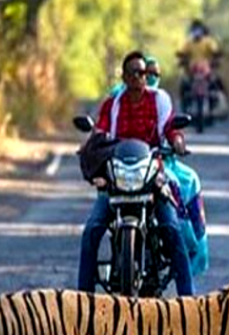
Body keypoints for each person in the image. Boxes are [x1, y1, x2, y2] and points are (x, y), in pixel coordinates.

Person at [78, 51, 194, 296]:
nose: (139, 77)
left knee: (172, 229)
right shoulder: (113, 105)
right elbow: (99, 133)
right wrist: (90, 145)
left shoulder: (159, 101)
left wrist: (177, 142)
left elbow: (170, 129)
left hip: (152, 177)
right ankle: (83, 300)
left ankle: (188, 300)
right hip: (117, 179)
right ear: (124, 76)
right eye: (133, 73)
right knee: (92, 231)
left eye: (143, 73)